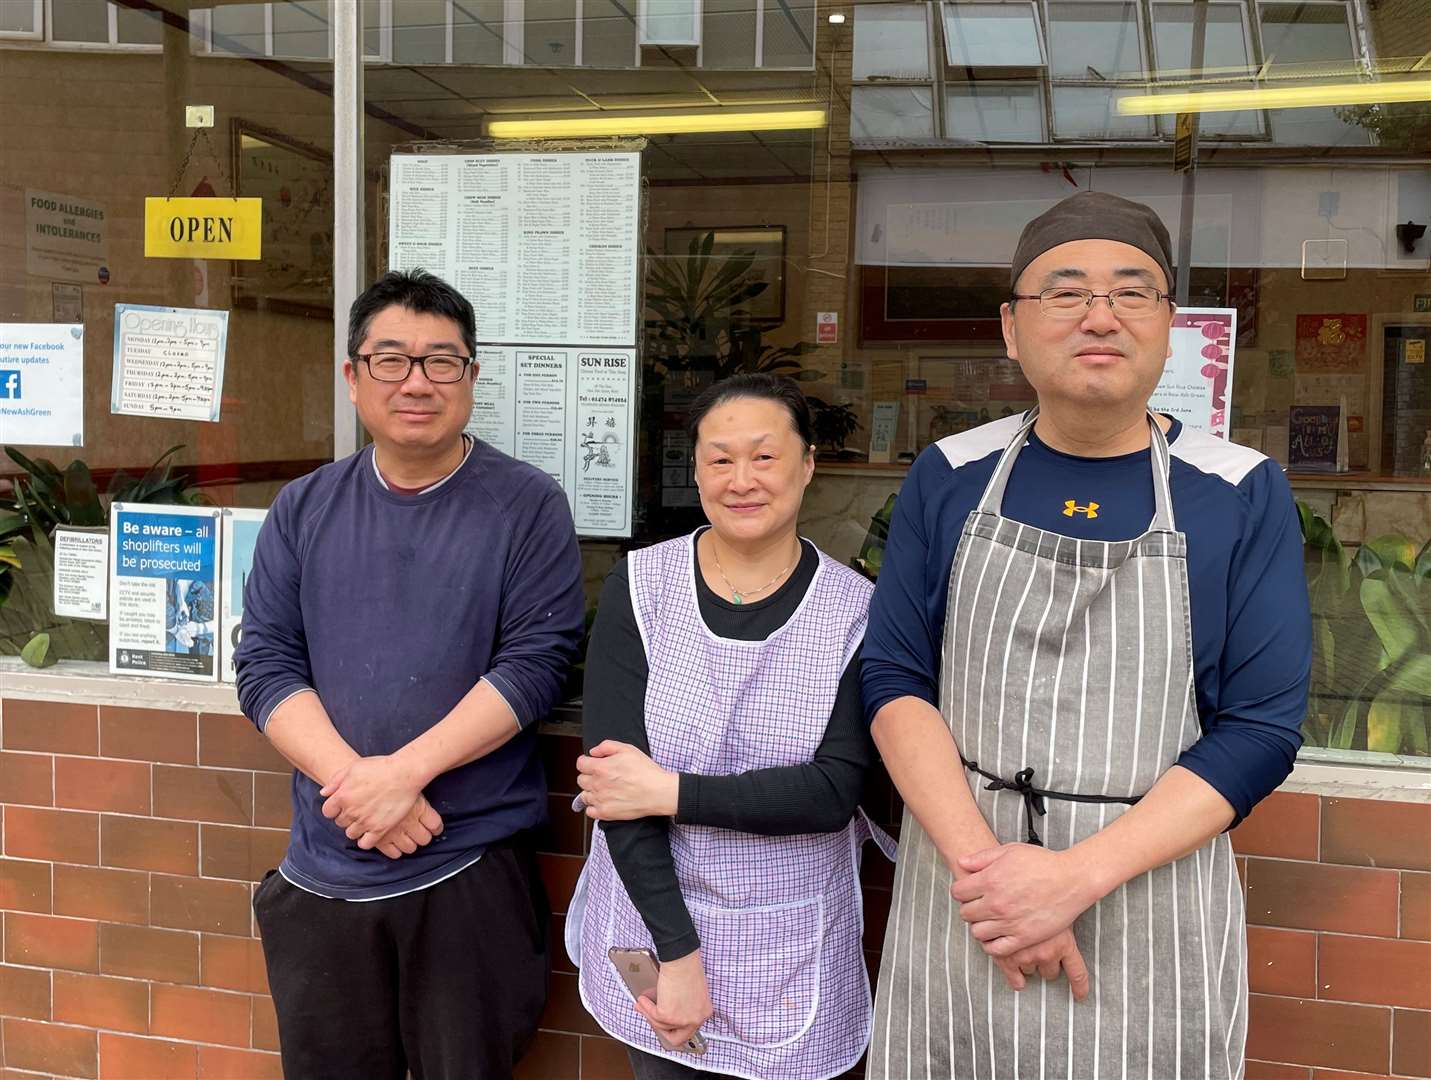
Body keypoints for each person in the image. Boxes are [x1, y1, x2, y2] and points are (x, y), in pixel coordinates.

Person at [862, 191, 1312, 1078]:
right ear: (1010, 328)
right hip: (966, 891)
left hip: (1146, 897)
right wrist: (995, 880)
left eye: (1131, 292)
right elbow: (892, 678)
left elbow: (1259, 731)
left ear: (1168, 325)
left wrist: (1069, 880)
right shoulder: (950, 473)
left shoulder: (1237, 490)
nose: (1098, 316)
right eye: (1064, 293)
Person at [235, 269, 585, 1079]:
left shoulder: (526, 505)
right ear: (353, 378)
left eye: (441, 361)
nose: (416, 382)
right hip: (324, 870)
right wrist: (361, 786)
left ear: (471, 376)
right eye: (390, 360)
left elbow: (537, 663)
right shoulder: (304, 505)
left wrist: (409, 774)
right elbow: (264, 664)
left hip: (465, 869)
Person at [569, 373, 894, 1080]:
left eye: (764, 456)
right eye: (719, 460)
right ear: (697, 472)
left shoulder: (856, 612)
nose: (741, 480)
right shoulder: (641, 587)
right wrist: (680, 955)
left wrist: (669, 791)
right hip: (656, 933)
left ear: (808, 465)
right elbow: (614, 791)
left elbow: (831, 790)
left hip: (793, 944)